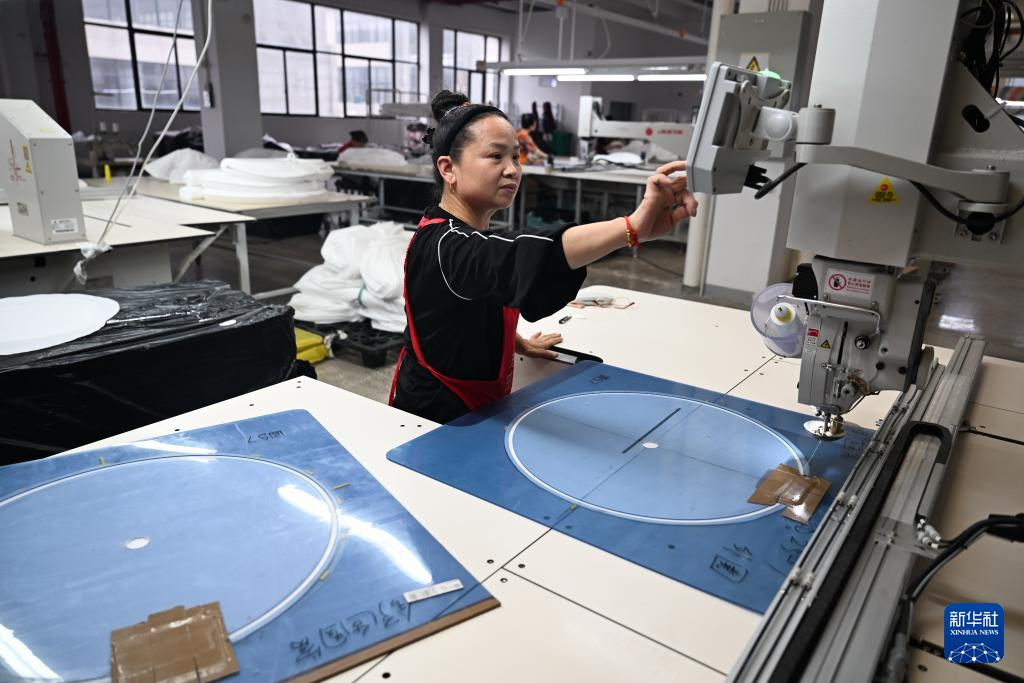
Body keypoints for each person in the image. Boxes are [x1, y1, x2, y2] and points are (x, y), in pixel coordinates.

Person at [388, 90, 696, 424]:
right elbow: (519, 254)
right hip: (432, 417)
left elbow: (468, 305)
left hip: (476, 406)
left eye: (515, 157)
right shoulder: (446, 244)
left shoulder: (462, 234)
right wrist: (632, 228)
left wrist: (514, 342)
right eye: (495, 156)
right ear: (449, 168)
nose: (512, 170)